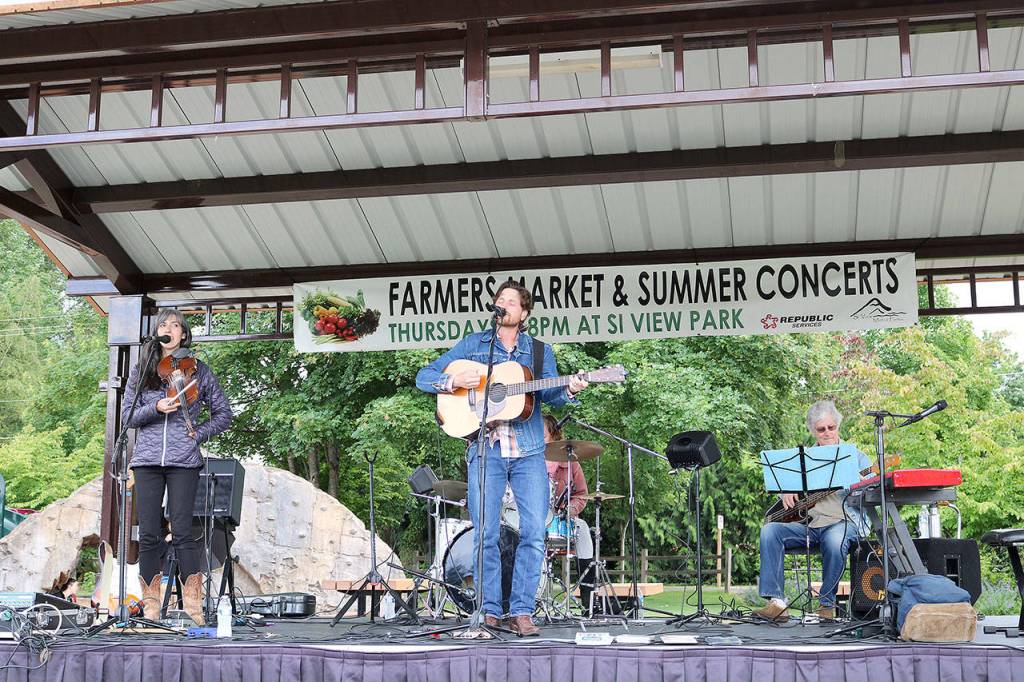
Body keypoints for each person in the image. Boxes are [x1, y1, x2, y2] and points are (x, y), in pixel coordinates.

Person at [416, 280, 588, 635]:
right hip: (484, 449)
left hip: (528, 453)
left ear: (524, 313)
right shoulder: (473, 345)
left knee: (533, 533)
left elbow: (553, 395)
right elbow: (424, 376)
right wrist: (452, 382)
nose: (504, 304)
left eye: (512, 301)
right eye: (500, 299)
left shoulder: (539, 352)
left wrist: (569, 389)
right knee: (485, 533)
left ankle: (522, 611)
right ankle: (489, 609)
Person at [121, 309, 234, 624]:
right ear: (157, 333)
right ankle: (152, 608)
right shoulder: (142, 370)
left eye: (175, 325)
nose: (168, 328)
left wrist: (198, 435)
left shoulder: (198, 370)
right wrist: (156, 407)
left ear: (183, 334)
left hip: (184, 461)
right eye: (163, 324)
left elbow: (224, 413)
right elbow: (127, 416)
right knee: (148, 535)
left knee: (184, 532)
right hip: (146, 460)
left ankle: (194, 608)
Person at [753, 400, 871, 622]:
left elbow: (874, 489)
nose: (827, 433)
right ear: (813, 431)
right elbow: (785, 487)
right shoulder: (802, 460)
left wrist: (862, 483)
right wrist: (785, 492)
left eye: (831, 427)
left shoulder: (856, 457)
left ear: (838, 426)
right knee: (770, 531)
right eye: (821, 429)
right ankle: (777, 604)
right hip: (810, 526)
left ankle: (827, 604)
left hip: (844, 524)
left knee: (835, 540)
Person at [542, 414, 597, 615]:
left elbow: (582, 495)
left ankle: (589, 601)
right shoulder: (527, 460)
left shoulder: (570, 462)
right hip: (531, 519)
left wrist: (570, 510)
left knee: (583, 530)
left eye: (542, 430)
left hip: (559, 519)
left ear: (553, 434)